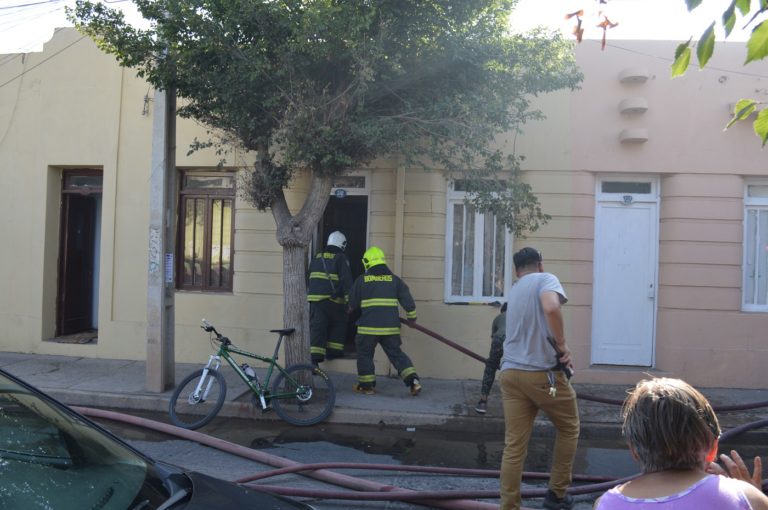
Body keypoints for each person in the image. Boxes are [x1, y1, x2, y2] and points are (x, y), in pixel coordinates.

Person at [594, 377, 768, 509]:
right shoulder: (744, 498)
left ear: (634, 451)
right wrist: (754, 497)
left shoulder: (605, 504)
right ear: (713, 448)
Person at [499, 246, 579, 510]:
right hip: (545, 379)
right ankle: (556, 494)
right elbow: (551, 306)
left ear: (516, 270)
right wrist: (563, 344)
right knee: (568, 427)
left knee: (514, 445)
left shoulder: (515, 289)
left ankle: (509, 505)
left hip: (511, 376)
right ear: (540, 265)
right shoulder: (546, 279)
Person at [347, 246, 421, 396]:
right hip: (390, 329)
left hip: (368, 329)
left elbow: (351, 305)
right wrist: (412, 318)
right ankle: (413, 382)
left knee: (365, 355)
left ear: (367, 262)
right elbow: (407, 300)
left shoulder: (362, 280)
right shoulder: (394, 280)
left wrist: (345, 312)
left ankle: (367, 387)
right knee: (396, 354)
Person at [306, 231, 353, 365]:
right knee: (339, 324)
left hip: (316, 301)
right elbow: (346, 281)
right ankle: (334, 351)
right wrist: (350, 301)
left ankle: (314, 359)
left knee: (317, 327)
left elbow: (309, 276)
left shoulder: (316, 257)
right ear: (342, 244)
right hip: (334, 301)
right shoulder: (341, 258)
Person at [475, 302, 507, 414]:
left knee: (490, 367)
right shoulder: (519, 317)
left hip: (499, 338)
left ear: (502, 311)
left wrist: (494, 359)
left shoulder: (498, 318)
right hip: (515, 340)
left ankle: (483, 401)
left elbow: (494, 337)